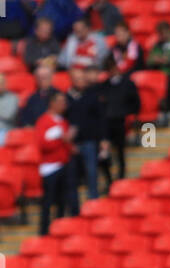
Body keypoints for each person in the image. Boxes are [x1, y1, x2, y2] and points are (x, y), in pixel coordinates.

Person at [37, 91, 76, 235]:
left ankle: (58, 231)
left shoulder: (63, 121)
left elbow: (66, 145)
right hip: (49, 168)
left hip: (63, 165)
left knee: (61, 202)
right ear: (52, 103)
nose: (63, 105)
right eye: (60, 102)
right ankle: (44, 231)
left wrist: (69, 145)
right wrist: (60, 139)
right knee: (47, 203)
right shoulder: (44, 121)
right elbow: (43, 144)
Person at [64, 66, 104, 201]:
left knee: (91, 172)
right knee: (73, 175)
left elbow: (101, 118)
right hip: (72, 143)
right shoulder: (66, 98)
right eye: (76, 79)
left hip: (89, 140)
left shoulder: (92, 95)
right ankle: (74, 205)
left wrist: (104, 139)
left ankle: (93, 200)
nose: (79, 81)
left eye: (81, 79)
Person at [98, 56, 140, 186]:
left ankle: (121, 178)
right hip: (106, 124)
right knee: (104, 154)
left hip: (121, 122)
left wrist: (129, 116)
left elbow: (136, 103)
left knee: (120, 151)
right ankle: (110, 181)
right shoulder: (104, 85)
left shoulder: (128, 84)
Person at [18, 59, 61, 127]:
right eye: (40, 78)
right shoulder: (32, 98)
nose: (42, 80)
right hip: (36, 130)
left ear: (51, 78)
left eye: (45, 77)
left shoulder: (59, 95)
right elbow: (25, 117)